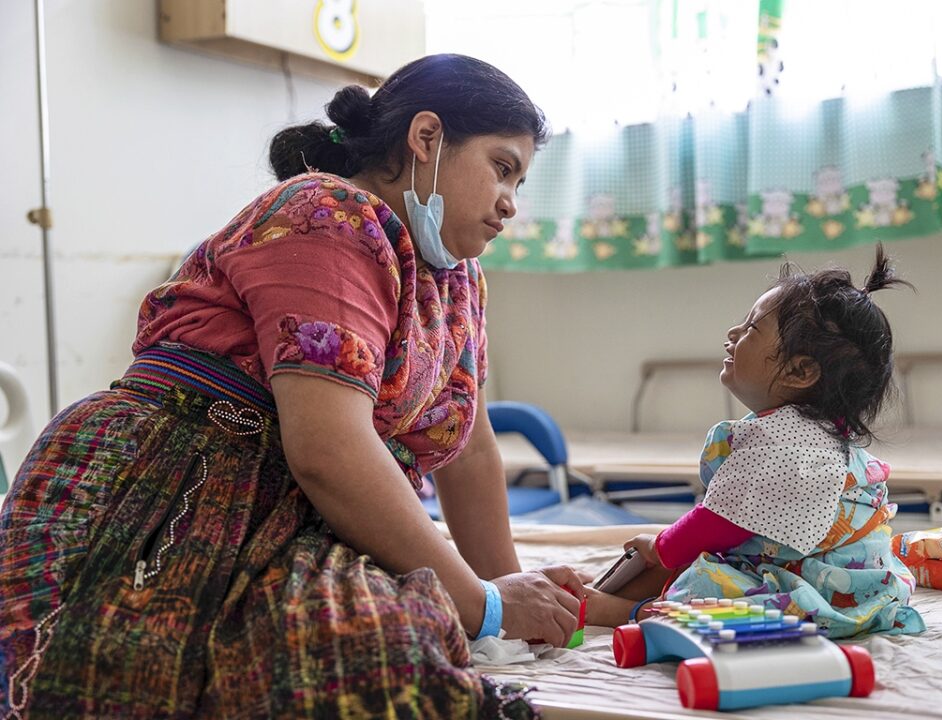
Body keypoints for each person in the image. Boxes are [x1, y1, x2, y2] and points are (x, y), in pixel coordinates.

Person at [0, 54, 582, 719]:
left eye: (522, 181)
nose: (512, 203)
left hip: (299, 504)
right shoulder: (327, 215)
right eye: (502, 168)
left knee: (396, 643)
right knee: (356, 669)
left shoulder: (454, 283)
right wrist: (485, 606)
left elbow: (471, 453)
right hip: (171, 486)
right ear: (427, 138)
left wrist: (515, 601)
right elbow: (329, 451)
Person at [586, 245, 926, 639]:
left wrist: (662, 547)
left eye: (750, 329)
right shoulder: (821, 435)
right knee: (687, 555)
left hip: (814, 592)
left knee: (702, 581)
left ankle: (630, 613)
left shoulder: (781, 445)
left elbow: (719, 523)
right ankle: (627, 588)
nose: (732, 334)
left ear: (800, 371)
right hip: (859, 584)